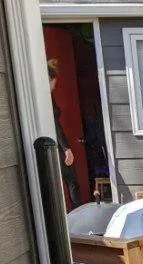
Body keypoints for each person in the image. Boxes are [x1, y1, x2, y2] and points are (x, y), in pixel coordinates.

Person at [48, 59, 81, 208]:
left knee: (69, 181)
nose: (55, 86)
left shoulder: (49, 97)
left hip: (55, 143)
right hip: (55, 145)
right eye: (54, 82)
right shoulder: (45, 98)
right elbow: (54, 125)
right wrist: (66, 148)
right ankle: (76, 215)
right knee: (70, 181)